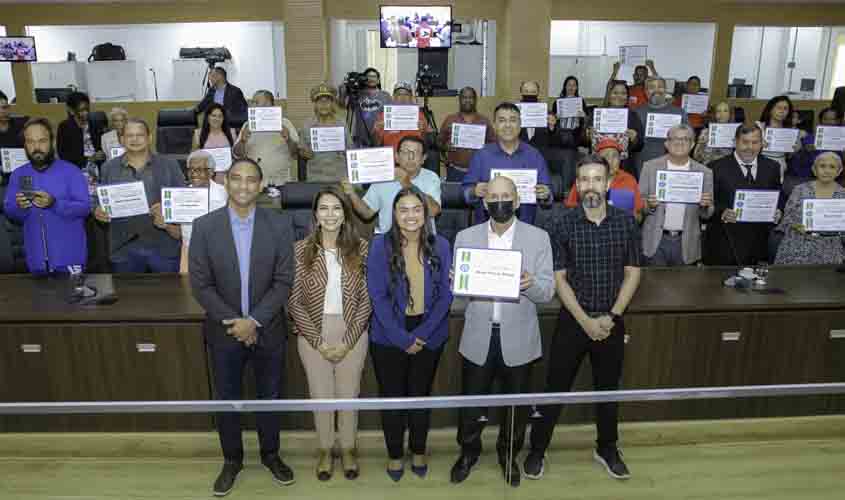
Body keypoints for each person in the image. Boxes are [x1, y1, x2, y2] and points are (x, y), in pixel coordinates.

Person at [526, 154, 642, 482]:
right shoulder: (561, 223)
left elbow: (633, 273)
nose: (591, 185)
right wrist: (586, 321)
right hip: (573, 320)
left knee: (608, 391)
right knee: (554, 388)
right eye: (585, 180)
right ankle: (537, 449)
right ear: (578, 185)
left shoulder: (625, 222)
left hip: (611, 320)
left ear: (608, 184)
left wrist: (612, 316)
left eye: (597, 179)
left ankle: (607, 448)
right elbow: (559, 278)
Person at [189, 158, 295, 496]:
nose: (244, 186)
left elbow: (284, 280)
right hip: (224, 332)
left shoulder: (280, 224)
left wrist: (255, 321)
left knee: (270, 398)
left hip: (269, 329)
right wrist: (237, 323)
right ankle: (232, 460)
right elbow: (201, 285)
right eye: (236, 179)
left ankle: (271, 455)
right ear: (226, 181)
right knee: (228, 399)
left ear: (261, 185)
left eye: (251, 180)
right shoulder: (205, 226)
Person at [449, 175, 554, 488]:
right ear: (484, 202)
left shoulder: (538, 238)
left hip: (519, 337)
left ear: (517, 200)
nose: (499, 201)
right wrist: (457, 282)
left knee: (516, 406)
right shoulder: (465, 237)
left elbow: (547, 292)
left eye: (506, 195)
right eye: (493, 196)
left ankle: (508, 455)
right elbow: (457, 299)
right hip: (478, 335)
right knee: (471, 403)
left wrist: (529, 284)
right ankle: (468, 453)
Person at [366, 186, 452, 481]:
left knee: (420, 396)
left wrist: (423, 335)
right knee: (392, 398)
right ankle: (393, 454)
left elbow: (446, 297)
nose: (410, 215)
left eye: (417, 209)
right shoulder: (379, 246)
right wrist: (402, 338)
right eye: (403, 210)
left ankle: (418, 449)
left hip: (429, 332)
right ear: (394, 214)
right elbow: (376, 297)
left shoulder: (441, 245)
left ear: (426, 213)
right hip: (388, 333)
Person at [288, 186, 370, 481]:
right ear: (315, 214)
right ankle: (325, 449)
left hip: (352, 330)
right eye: (324, 208)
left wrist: (347, 342)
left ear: (345, 214)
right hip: (313, 332)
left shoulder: (360, 248)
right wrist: (319, 342)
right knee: (320, 396)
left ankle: (348, 448)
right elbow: (294, 301)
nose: (330, 214)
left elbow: (366, 299)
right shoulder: (300, 250)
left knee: (349, 395)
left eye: (337, 208)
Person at [95, 118, 185, 273]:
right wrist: (97, 210)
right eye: (129, 135)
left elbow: (182, 199)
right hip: (124, 248)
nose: (135, 139)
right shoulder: (108, 168)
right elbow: (99, 200)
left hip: (163, 246)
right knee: (127, 296)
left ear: (149, 138)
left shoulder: (169, 165)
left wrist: (167, 208)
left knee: (168, 295)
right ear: (121, 139)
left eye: (140, 135)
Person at [2, 118, 89, 273]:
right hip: (36, 261)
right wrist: (20, 207)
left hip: (70, 258)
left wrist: (54, 204)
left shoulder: (71, 172)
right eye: (30, 142)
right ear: (25, 145)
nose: (36, 147)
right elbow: (10, 211)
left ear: (52, 142)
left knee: (73, 297)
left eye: (42, 141)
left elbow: (84, 208)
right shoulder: (18, 174)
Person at [704, 124, 783, 266]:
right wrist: (722, 212)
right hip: (725, 242)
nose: (750, 147)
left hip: (759, 242)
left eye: (755, 142)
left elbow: (778, 197)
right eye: (745, 142)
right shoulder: (715, 167)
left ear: (762, 144)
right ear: (735, 142)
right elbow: (706, 205)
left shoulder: (772, 167)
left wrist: (778, 211)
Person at [462, 102, 553, 225]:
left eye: (513, 120)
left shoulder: (534, 156)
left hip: (524, 229)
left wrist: (546, 194)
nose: (508, 125)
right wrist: (474, 191)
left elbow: (549, 198)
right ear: (494, 125)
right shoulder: (481, 155)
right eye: (502, 120)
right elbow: (465, 194)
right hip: (487, 231)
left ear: (520, 125)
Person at [639, 124, 715, 266]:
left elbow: (708, 214)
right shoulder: (650, 167)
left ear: (692, 144)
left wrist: (704, 206)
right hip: (655, 241)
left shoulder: (704, 172)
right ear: (666, 143)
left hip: (686, 243)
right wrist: (649, 205)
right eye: (675, 139)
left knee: (684, 287)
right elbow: (639, 205)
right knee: (652, 286)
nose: (680, 142)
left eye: (685, 139)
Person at [342, 135, 441, 234]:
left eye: (416, 153)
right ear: (396, 157)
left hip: (423, 239)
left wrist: (407, 183)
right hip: (388, 241)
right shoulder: (384, 177)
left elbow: (434, 211)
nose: (411, 157)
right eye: (405, 152)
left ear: (423, 158)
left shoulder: (431, 178)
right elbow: (367, 213)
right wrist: (352, 194)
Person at [775, 152, 845, 264]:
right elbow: (787, 219)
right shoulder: (799, 190)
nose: (827, 170)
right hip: (798, 244)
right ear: (814, 169)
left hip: (830, 247)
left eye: (832, 167)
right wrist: (796, 226)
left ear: (839, 171)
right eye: (822, 166)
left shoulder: (843, 195)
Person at [564, 139, 644, 221]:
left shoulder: (629, 179)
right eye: (606, 156)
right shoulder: (585, 178)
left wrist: (631, 220)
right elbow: (571, 208)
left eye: (615, 156)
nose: (610, 160)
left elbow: (639, 214)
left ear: (620, 159)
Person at [233, 90, 299, 187]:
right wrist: (242, 141)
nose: (251, 105)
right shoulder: (248, 125)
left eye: (256, 102)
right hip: (254, 183)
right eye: (252, 102)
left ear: (268, 104)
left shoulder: (285, 123)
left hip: (281, 182)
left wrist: (288, 139)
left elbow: (296, 153)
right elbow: (236, 154)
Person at [179, 150, 228, 274]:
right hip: (190, 253)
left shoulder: (226, 194)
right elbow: (178, 234)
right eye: (191, 169)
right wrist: (165, 223)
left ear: (211, 172)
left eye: (200, 169)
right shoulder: (179, 196)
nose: (194, 174)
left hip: (220, 254)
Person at [438, 86, 496, 181]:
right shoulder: (450, 119)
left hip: (479, 172)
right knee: (455, 195)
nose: (467, 100)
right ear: (460, 100)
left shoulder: (484, 121)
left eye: (470, 98)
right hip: (455, 171)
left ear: (475, 100)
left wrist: (485, 148)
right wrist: (446, 146)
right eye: (464, 98)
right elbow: (439, 142)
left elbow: (494, 145)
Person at [634, 77, 688, 177]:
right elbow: (634, 143)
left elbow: (688, 138)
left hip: (672, 163)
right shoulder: (637, 112)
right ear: (645, 92)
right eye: (652, 87)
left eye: (660, 87)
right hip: (644, 164)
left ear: (666, 90)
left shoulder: (679, 112)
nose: (656, 90)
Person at [587, 81, 644, 176]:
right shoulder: (597, 114)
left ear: (627, 97)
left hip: (624, 166)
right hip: (598, 164)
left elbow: (640, 145)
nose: (619, 96)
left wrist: (634, 138)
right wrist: (588, 135)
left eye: (623, 93)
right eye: (615, 93)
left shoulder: (633, 116)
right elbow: (583, 141)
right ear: (609, 95)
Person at [299, 82, 352, 182]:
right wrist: (306, 153)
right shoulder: (307, 124)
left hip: (338, 176)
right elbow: (301, 150)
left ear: (332, 104)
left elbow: (350, 148)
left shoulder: (341, 123)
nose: (323, 105)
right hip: (316, 177)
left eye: (327, 101)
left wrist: (343, 150)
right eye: (320, 101)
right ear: (315, 104)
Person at [372, 81, 433, 151]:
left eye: (406, 94)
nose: (403, 98)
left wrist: (423, 132)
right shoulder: (385, 115)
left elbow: (426, 145)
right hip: (391, 157)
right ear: (393, 97)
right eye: (399, 94)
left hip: (412, 157)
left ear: (411, 98)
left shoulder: (419, 115)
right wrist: (376, 132)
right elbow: (375, 144)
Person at [786, 107, 843, 180]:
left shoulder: (842, 140)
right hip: (809, 179)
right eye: (825, 119)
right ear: (820, 121)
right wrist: (805, 151)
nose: (828, 122)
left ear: (838, 121)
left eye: (832, 119)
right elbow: (796, 164)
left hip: (835, 180)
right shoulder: (808, 139)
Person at [550, 76, 587, 187]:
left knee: (571, 157)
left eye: (574, 85)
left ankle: (569, 184)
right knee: (564, 157)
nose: (571, 87)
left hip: (574, 134)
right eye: (569, 85)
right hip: (560, 134)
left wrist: (584, 116)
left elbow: (584, 122)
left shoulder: (581, 102)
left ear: (577, 87)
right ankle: (565, 183)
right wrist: (555, 117)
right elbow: (552, 122)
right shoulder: (557, 102)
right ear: (565, 86)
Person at [57, 91, 105, 170]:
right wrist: (90, 159)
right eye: (81, 110)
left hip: (97, 168)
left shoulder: (95, 124)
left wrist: (102, 154)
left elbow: (101, 147)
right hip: (76, 169)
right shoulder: (64, 127)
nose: (86, 113)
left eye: (87, 109)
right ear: (71, 111)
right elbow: (63, 156)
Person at [758, 95, 802, 179]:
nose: (782, 111)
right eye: (779, 108)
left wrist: (795, 149)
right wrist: (758, 145)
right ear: (770, 109)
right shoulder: (758, 127)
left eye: (785, 109)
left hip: (781, 167)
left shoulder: (791, 131)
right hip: (760, 167)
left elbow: (789, 156)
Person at [346, 67, 392, 147]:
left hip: (380, 139)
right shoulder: (358, 94)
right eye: (368, 77)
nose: (371, 79)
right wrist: (348, 85)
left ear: (378, 80)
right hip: (361, 140)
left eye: (374, 76)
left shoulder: (386, 95)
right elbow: (343, 103)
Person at [518, 80, 564, 153]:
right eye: (526, 91)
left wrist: (552, 128)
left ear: (538, 93)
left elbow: (557, 142)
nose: (529, 94)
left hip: (541, 154)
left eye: (533, 92)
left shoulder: (547, 114)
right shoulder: (514, 113)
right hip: (519, 153)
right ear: (521, 92)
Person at [693, 101, 736, 166]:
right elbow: (696, 156)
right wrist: (703, 143)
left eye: (725, 111)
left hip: (728, 167)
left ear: (730, 114)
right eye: (718, 111)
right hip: (709, 166)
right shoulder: (706, 132)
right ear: (714, 114)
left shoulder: (737, 132)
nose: (722, 114)